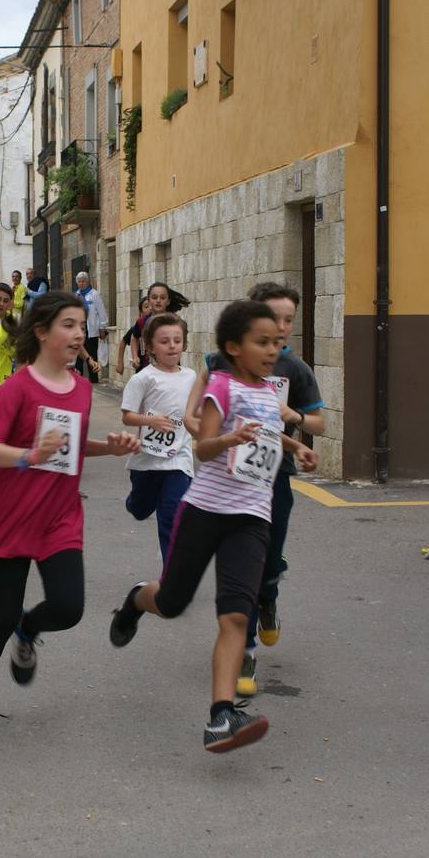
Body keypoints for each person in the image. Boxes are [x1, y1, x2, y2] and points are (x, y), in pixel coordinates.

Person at [109, 300, 317, 754]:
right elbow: (203, 447)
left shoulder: (268, 393)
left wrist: (295, 447)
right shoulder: (220, 387)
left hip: (252, 518)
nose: (272, 349)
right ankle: (136, 600)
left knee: (236, 615)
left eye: (276, 342)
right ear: (233, 347)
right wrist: (227, 438)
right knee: (172, 602)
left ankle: (221, 715)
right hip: (205, 511)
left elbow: (266, 432)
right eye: (262, 342)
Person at [0, 292, 140, 746]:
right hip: (12, 515)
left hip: (59, 515)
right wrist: (29, 456)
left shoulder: (81, 389)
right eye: (68, 325)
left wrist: (108, 448)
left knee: (69, 608)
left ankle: (29, 628)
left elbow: (70, 445)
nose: (78, 334)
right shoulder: (18, 387)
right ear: (41, 332)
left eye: (81, 326)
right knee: (0, 616)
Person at [188, 282, 326, 697]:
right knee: (242, 568)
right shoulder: (222, 361)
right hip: (227, 481)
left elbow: (319, 424)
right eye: (272, 317)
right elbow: (192, 413)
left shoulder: (295, 369)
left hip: (274, 478)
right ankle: (245, 651)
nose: (281, 327)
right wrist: (213, 432)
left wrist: (292, 416)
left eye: (288, 320)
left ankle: (269, 596)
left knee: (267, 565)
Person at [120, 313, 196, 563]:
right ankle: (135, 502)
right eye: (164, 341)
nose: (172, 346)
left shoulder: (191, 377)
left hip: (178, 459)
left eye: (177, 340)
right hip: (147, 460)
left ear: (184, 343)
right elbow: (127, 417)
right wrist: (150, 421)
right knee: (141, 509)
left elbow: (195, 413)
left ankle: (171, 576)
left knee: (173, 518)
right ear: (150, 347)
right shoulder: (143, 378)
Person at [73, 271, 109, 383]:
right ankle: (78, 377)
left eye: (83, 281)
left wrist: (102, 327)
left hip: (91, 329)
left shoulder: (94, 294)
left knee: (92, 354)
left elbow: (101, 312)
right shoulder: (76, 295)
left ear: (87, 282)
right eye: (79, 281)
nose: (81, 283)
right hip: (79, 329)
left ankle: (93, 378)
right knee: (78, 354)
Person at [117, 295, 151, 376]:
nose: (150, 309)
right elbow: (123, 342)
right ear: (141, 312)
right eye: (146, 307)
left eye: (151, 306)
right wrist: (120, 362)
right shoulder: (137, 327)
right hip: (141, 367)